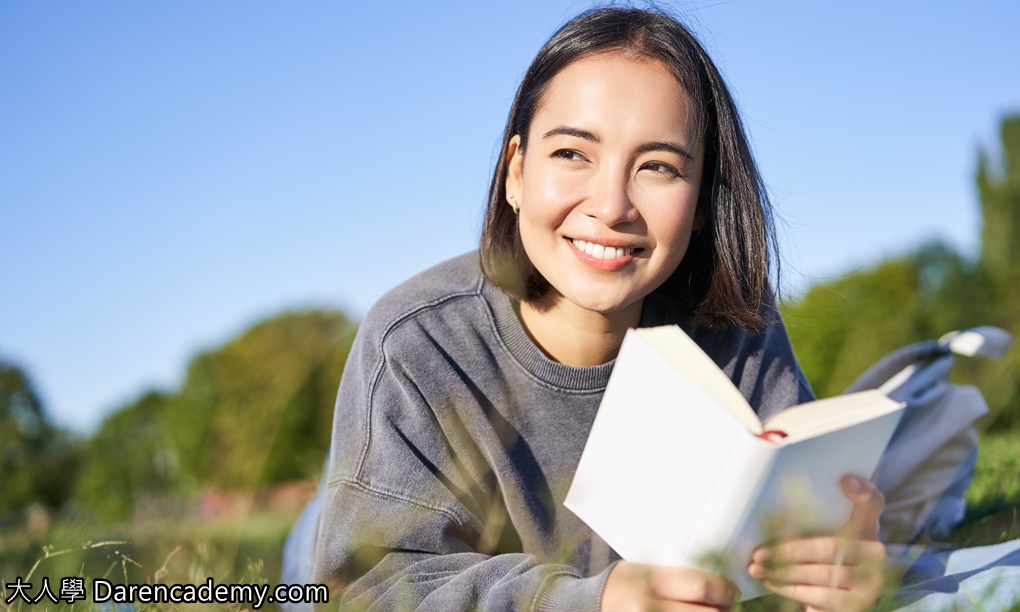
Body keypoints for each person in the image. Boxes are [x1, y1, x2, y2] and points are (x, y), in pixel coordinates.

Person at [311, 7, 886, 611]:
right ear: (516, 171)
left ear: (701, 196)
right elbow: (363, 591)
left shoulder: (735, 324)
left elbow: (794, 543)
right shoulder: (412, 340)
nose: (612, 206)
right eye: (572, 154)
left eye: (658, 167)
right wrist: (593, 602)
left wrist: (838, 568)